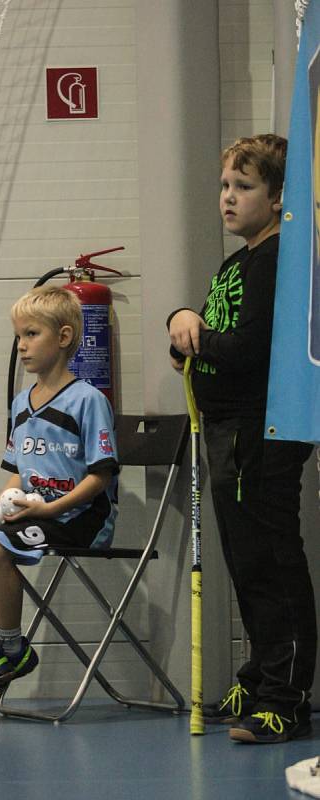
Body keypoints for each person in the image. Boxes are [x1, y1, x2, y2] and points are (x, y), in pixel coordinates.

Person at [167, 134, 317, 744]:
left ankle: (288, 694)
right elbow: (205, 337)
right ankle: (260, 675)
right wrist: (181, 323)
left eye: (244, 187)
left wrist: (192, 336)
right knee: (247, 563)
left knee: (273, 563)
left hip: (264, 431)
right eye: (225, 185)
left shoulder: (279, 258)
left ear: (279, 198)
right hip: (229, 433)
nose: (228, 198)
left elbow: (250, 351)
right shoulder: (238, 262)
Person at [0, 286, 118, 704]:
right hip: (35, 514)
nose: (23, 345)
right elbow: (18, 473)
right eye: (19, 336)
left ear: (64, 336)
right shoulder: (21, 403)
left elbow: (100, 477)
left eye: (32, 334)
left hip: (81, 519)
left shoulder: (88, 400)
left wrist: (50, 507)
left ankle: (13, 650)